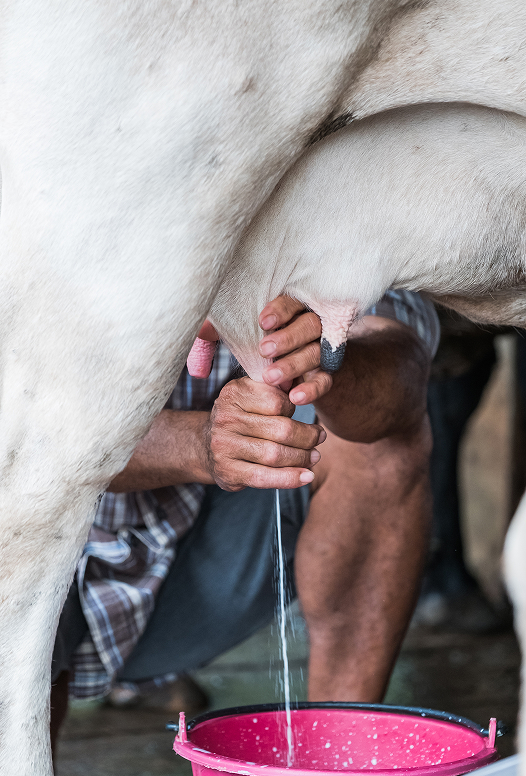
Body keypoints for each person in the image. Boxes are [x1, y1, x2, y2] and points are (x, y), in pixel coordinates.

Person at [50, 290, 439, 759]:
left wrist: (327, 358)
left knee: (379, 446)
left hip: (192, 580)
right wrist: (196, 444)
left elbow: (404, 370)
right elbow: (25, 433)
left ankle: (338, 757)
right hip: (48, 571)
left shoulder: (327, 223)